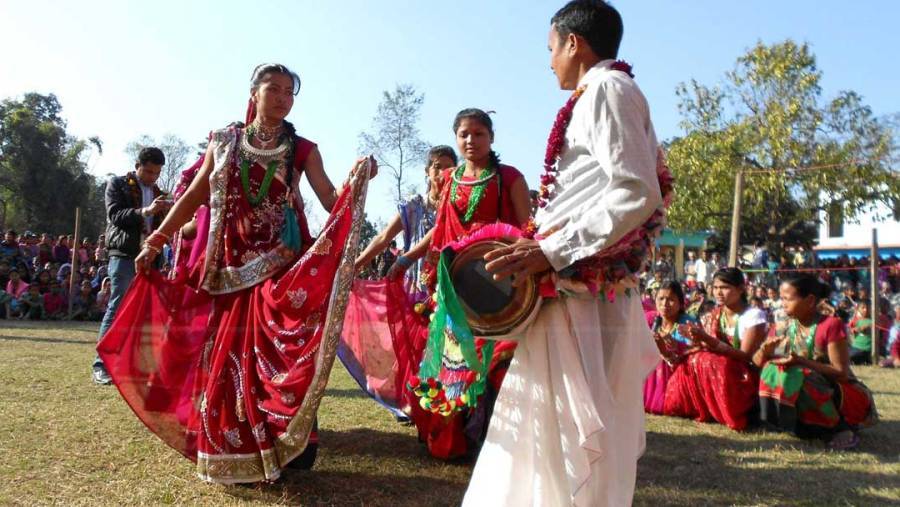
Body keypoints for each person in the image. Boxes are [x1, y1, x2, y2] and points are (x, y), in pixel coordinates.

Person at [97, 63, 376, 484]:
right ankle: (233, 448)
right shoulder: (225, 142)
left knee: (280, 355)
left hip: (281, 267)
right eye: (274, 89)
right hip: (230, 269)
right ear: (254, 93)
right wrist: (157, 240)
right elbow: (194, 196)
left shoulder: (302, 149)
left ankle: (288, 437)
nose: (282, 98)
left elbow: (329, 197)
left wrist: (356, 186)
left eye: (289, 92)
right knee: (229, 360)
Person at [464, 2, 668, 504]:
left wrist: (551, 250)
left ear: (573, 43)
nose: (549, 60)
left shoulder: (609, 89)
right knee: (549, 429)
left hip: (585, 288)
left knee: (570, 433)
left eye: (551, 48)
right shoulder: (601, 92)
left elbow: (637, 191)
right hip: (574, 285)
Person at [385, 108, 531, 460]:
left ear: (492, 138)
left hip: (498, 285)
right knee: (454, 359)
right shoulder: (450, 179)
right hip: (454, 282)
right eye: (464, 134)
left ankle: (497, 441)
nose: (471, 140)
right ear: (456, 138)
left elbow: (527, 230)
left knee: (496, 359)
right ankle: (455, 438)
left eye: (479, 134)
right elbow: (440, 229)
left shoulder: (509, 177)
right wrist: (407, 259)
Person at [341, 145, 456, 420]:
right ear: (427, 172)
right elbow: (383, 238)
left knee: (445, 350)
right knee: (413, 350)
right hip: (414, 288)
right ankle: (412, 404)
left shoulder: (457, 202)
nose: (441, 173)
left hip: (448, 287)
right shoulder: (414, 206)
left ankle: (442, 409)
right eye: (436, 166)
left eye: (448, 167)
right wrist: (355, 265)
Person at [756, 274, 877, 449]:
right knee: (772, 369)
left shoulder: (830, 325)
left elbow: (841, 373)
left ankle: (838, 428)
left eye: (787, 299)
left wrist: (800, 362)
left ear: (810, 300)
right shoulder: (783, 325)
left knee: (799, 374)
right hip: (803, 386)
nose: (783, 304)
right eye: (781, 299)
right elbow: (756, 362)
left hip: (840, 392)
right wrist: (763, 352)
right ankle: (784, 423)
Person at [91, 146, 171, 385]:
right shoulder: (117, 184)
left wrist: (165, 214)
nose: (151, 177)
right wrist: (145, 211)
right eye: (148, 171)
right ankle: (101, 364)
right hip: (125, 254)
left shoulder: (159, 192)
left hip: (150, 257)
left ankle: (134, 365)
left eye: (156, 173)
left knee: (145, 312)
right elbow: (115, 215)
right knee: (117, 306)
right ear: (137, 166)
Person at [665, 267, 767, 430]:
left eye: (725, 288)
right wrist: (695, 340)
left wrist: (707, 339)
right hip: (719, 362)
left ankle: (729, 410)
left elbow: (746, 356)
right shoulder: (715, 313)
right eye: (716, 287)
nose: (719, 292)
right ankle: (699, 409)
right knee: (693, 359)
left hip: (744, 372)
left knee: (711, 362)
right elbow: (705, 345)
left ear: (741, 289)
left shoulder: (753, 315)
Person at [644, 280, 696, 414]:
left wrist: (674, 347)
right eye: (661, 299)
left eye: (671, 300)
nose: (665, 304)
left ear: (680, 303)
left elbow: (695, 351)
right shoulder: (650, 319)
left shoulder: (687, 323)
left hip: (679, 371)